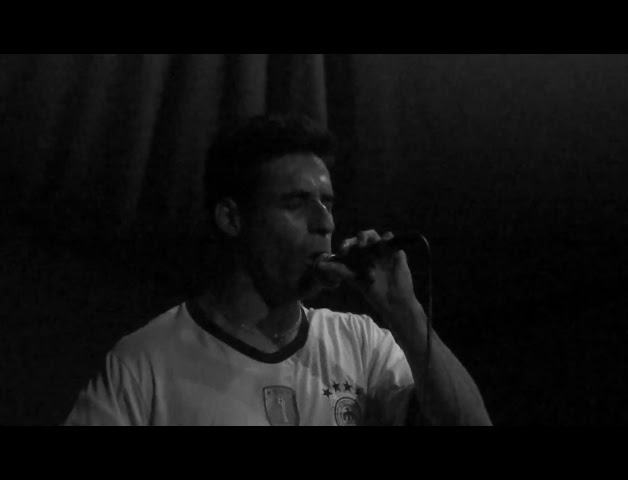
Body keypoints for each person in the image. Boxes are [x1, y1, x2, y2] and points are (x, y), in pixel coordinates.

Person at [64, 114, 492, 426]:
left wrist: (406, 314)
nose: (325, 222)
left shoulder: (361, 343)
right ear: (232, 218)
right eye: (296, 203)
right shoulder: (144, 362)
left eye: (327, 203)